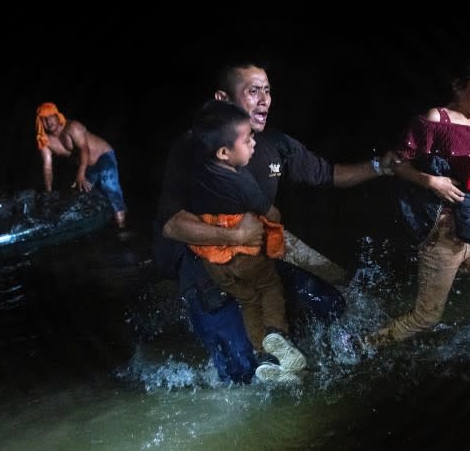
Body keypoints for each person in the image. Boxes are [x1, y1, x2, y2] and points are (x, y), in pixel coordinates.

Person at [154, 59, 397, 385]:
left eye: (267, 91)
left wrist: (382, 166)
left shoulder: (274, 144)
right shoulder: (192, 149)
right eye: (253, 91)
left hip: (255, 255)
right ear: (223, 99)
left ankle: (282, 351)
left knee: (330, 306)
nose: (264, 99)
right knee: (239, 375)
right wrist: (235, 234)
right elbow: (171, 224)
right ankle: (251, 351)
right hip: (204, 266)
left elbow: (329, 174)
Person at [366, 55, 470, 348]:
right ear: (459, 85)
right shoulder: (435, 120)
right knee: (426, 317)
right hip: (440, 233)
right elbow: (396, 164)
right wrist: (432, 181)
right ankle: (362, 344)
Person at [188, 99, 307, 383]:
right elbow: (272, 213)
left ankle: (265, 359)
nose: (254, 143)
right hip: (246, 255)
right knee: (269, 287)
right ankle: (277, 335)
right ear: (225, 152)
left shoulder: (196, 178)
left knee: (248, 301)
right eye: (248, 140)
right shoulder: (240, 180)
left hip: (213, 264)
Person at [35, 102, 128, 229]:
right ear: (40, 122)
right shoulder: (45, 141)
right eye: (44, 119)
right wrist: (48, 192)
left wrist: (80, 174)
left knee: (109, 187)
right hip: (86, 167)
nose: (48, 122)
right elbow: (47, 167)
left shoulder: (73, 127)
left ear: (57, 116)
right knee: (81, 196)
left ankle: (122, 227)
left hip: (103, 156)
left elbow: (85, 150)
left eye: (50, 117)